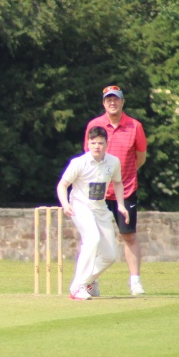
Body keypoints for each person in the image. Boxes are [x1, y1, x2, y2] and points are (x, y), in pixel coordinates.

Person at [84, 85, 148, 296]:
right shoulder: (95, 125)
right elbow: (89, 156)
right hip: (98, 190)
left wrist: (121, 175)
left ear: (122, 102)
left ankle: (135, 281)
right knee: (95, 237)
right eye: (108, 99)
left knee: (128, 235)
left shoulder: (134, 126)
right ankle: (91, 281)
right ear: (104, 103)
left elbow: (140, 157)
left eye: (116, 99)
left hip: (126, 188)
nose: (112, 102)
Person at [57, 126, 129, 300]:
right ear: (88, 143)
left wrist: (121, 205)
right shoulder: (79, 163)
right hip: (80, 206)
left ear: (106, 144)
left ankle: (89, 281)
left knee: (110, 256)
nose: (97, 146)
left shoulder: (113, 162)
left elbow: (118, 183)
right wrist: (65, 204)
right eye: (93, 142)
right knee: (92, 239)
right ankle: (77, 287)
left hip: (100, 208)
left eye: (100, 143)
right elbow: (62, 185)